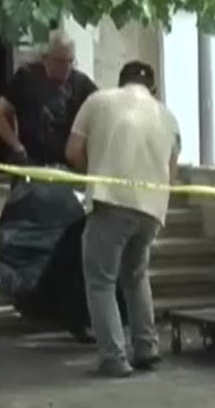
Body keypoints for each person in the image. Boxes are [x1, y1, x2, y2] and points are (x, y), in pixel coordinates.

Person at [65, 61, 181, 378]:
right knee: (136, 275)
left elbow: (73, 151)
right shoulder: (167, 117)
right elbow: (171, 174)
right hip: (151, 210)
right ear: (153, 88)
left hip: (111, 202)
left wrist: (95, 169)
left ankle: (113, 358)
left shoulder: (98, 101)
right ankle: (146, 346)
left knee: (101, 281)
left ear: (120, 82)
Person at [0, 30, 98, 166]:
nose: (67, 67)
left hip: (67, 167)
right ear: (46, 58)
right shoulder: (26, 77)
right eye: (61, 61)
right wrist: (17, 147)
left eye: (70, 61)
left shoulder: (82, 83)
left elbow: (101, 111)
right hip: (32, 163)